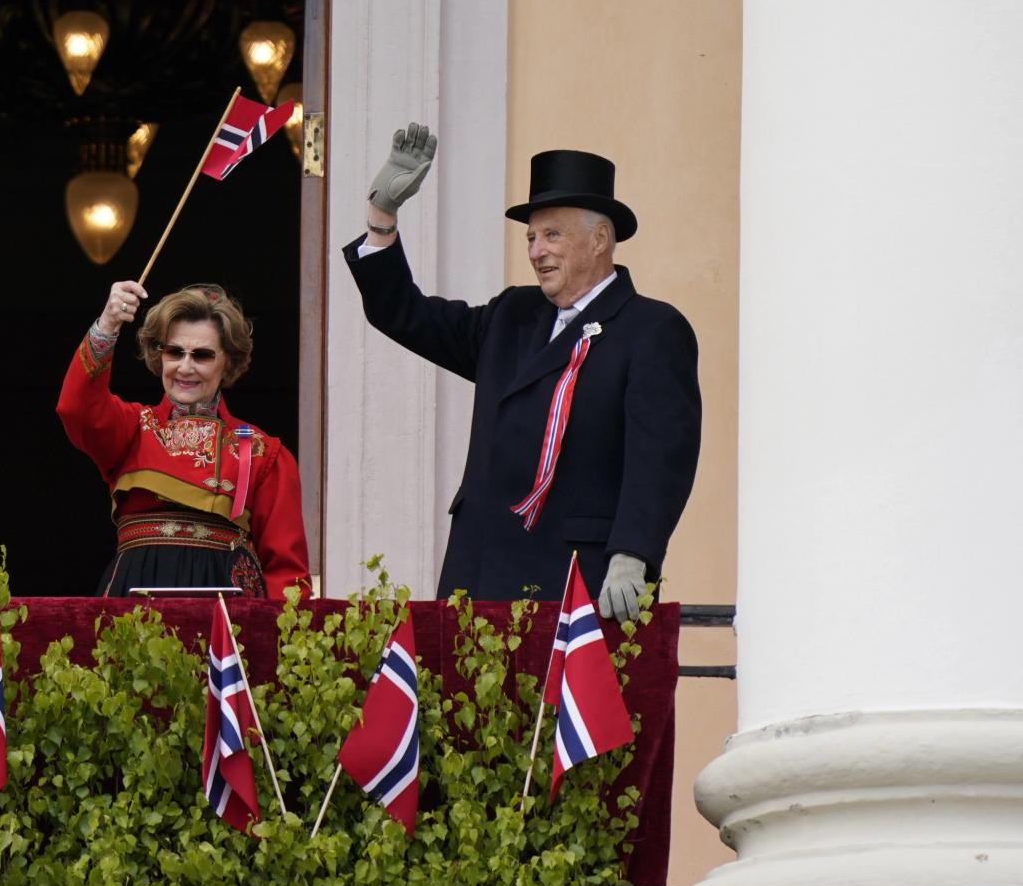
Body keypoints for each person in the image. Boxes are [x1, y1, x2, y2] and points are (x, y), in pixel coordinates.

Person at [345, 124, 701, 616]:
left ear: (600, 239)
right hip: (481, 575)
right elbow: (405, 314)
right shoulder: (511, 314)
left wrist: (633, 552)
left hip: (580, 583)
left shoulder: (652, 329)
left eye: (552, 235)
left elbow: (661, 458)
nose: (535, 251)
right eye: (532, 237)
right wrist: (382, 216)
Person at [58, 280, 310, 599]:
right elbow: (76, 408)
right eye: (175, 352)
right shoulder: (133, 428)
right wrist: (107, 325)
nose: (185, 367)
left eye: (202, 355)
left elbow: (287, 575)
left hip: (228, 623)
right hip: (132, 609)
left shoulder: (263, 452)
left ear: (227, 362)